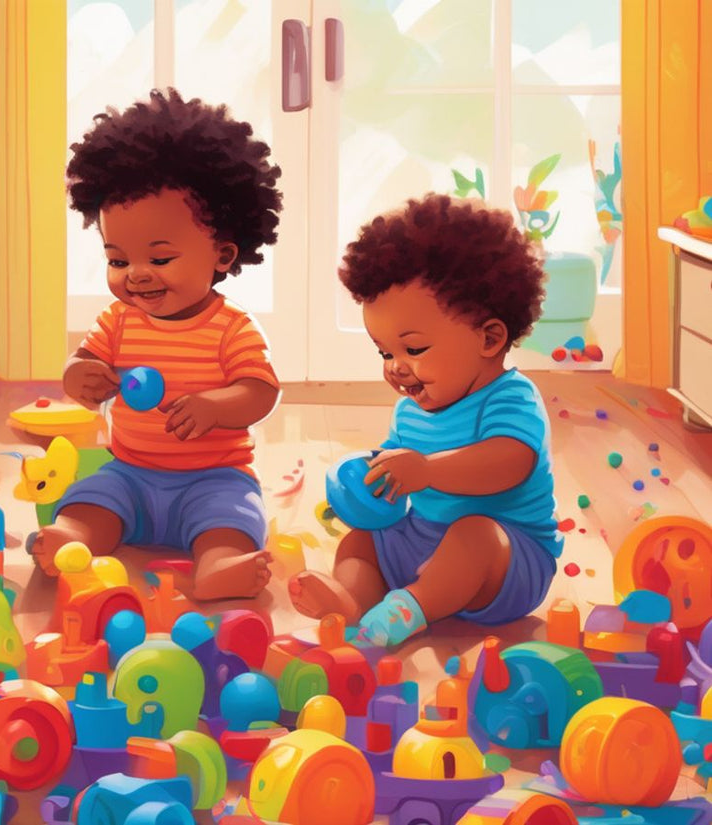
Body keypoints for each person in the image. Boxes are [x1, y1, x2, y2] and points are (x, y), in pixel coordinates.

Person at [33, 89, 283, 600]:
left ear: (222, 254)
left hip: (212, 478)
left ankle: (219, 565)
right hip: (131, 473)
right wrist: (77, 374)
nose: (137, 276)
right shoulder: (119, 321)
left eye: (160, 259)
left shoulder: (231, 327)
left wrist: (215, 405)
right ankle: (74, 540)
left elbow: (260, 391)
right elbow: (83, 362)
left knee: (230, 520)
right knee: (91, 501)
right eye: (119, 260)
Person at [290, 193, 561, 646]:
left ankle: (410, 607)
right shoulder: (410, 410)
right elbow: (402, 473)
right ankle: (353, 605)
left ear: (489, 338)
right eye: (385, 352)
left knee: (475, 535)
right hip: (423, 538)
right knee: (361, 541)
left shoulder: (512, 399)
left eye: (413, 349)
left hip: (507, 559)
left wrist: (427, 469)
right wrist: (373, 479)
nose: (396, 365)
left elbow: (509, 462)